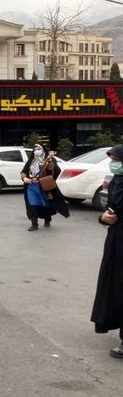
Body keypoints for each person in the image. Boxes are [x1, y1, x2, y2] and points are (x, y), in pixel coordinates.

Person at [91, 144, 123, 358]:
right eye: (112, 160)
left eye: (116, 160)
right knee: (117, 285)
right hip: (117, 241)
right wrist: (103, 217)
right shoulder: (117, 180)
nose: (113, 164)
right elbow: (111, 208)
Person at [20, 144, 69, 231]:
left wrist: (49, 160)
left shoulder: (48, 159)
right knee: (32, 204)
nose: (36, 151)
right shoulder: (31, 160)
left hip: (44, 186)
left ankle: (47, 220)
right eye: (34, 149)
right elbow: (23, 171)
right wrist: (25, 178)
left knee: (46, 204)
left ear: (43, 150)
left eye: (38, 149)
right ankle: (34, 224)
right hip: (31, 186)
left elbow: (53, 170)